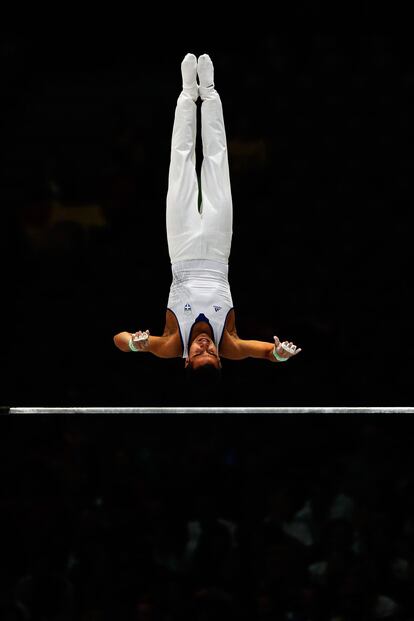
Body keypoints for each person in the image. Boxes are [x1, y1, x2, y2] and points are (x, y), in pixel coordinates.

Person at [113, 53, 301, 376]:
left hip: (182, 249)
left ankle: (188, 94)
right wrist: (280, 354)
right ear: (220, 356)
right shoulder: (229, 342)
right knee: (217, 166)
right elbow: (268, 354)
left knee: (181, 167)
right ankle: (209, 92)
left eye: (198, 352)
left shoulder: (174, 343)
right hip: (217, 252)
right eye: (211, 352)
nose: (204, 346)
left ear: (186, 359)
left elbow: (119, 339)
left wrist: (135, 343)